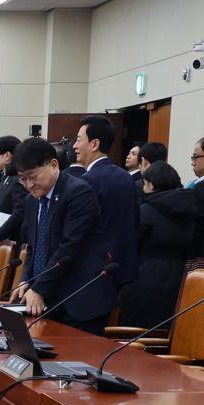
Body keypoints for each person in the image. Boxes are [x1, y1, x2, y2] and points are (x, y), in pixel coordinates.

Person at [6, 137, 112, 333]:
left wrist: (38, 289)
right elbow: (33, 247)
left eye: (33, 176)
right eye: (23, 178)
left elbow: (68, 249)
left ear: (54, 165)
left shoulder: (78, 193)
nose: (28, 184)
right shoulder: (32, 201)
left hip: (79, 300)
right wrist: (26, 281)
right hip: (49, 299)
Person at [74, 115, 140, 307]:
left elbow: (82, 230)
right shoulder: (126, 177)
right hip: (122, 270)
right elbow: (135, 221)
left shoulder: (86, 182)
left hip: (92, 274)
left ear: (94, 144)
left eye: (79, 140)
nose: (74, 146)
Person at [124, 162, 197, 327]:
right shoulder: (188, 208)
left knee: (136, 332)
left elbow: (132, 244)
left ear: (151, 184)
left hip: (145, 277)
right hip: (179, 276)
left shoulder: (146, 210)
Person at [0, 135, 24, 214]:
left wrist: (4, 227)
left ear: (7, 155)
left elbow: (19, 213)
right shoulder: (5, 177)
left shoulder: (17, 179)